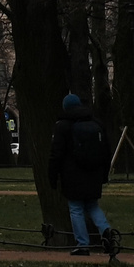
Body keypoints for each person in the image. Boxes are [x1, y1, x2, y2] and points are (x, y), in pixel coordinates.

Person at [49, 92, 114, 255]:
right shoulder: (96, 122)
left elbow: (56, 153)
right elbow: (106, 151)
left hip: (72, 174)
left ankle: (82, 244)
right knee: (92, 205)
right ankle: (106, 232)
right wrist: (104, 174)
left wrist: (52, 175)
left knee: (76, 208)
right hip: (94, 173)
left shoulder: (63, 125)